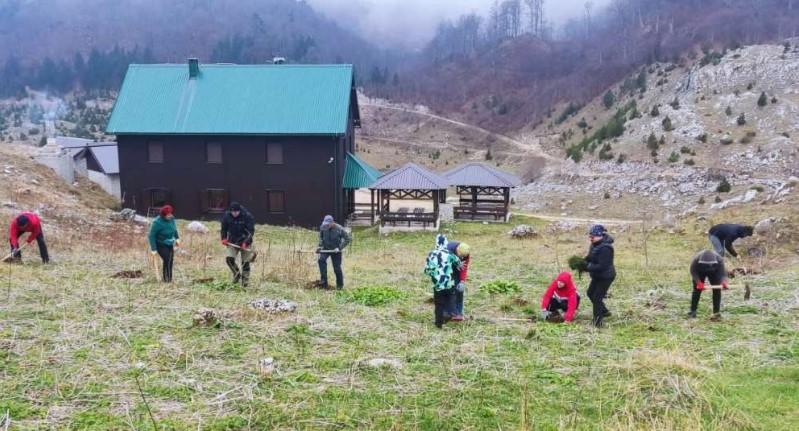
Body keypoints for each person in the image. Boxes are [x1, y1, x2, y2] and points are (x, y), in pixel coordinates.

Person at [424, 234, 461, 329]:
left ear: (436, 242)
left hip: (438, 284)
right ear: (446, 242)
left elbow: (427, 270)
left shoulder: (431, 254)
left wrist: (434, 275)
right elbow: (458, 262)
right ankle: (451, 313)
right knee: (451, 298)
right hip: (449, 283)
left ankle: (438, 323)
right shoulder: (449, 253)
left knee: (439, 304)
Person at [585, 224, 616, 327]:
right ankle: (604, 311)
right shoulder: (594, 244)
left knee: (597, 297)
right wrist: (582, 262)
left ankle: (598, 322)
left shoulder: (606, 248)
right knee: (590, 293)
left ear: (599, 235)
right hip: (597, 276)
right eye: (590, 236)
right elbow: (590, 257)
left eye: (592, 236)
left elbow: (602, 266)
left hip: (606, 276)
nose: (591, 238)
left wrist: (587, 267)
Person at [221, 202, 256, 287]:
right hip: (233, 241)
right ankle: (236, 274)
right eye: (233, 212)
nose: (235, 214)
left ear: (239, 211)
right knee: (229, 259)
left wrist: (246, 242)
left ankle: (245, 283)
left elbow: (250, 232)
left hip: (245, 240)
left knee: (245, 263)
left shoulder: (247, 216)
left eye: (236, 212)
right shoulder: (226, 216)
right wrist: (224, 238)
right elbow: (224, 229)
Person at [688, 250, 729, 321]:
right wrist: (698, 282)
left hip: (714, 272)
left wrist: (724, 282)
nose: (708, 265)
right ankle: (693, 311)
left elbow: (723, 273)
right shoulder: (696, 260)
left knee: (717, 291)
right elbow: (693, 271)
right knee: (696, 290)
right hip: (700, 272)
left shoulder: (719, 260)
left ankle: (716, 313)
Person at [316, 215, 351, 289]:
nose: (326, 226)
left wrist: (339, 248)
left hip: (336, 251)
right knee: (321, 260)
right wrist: (320, 246)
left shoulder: (339, 229)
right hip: (325, 249)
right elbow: (321, 237)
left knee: (337, 268)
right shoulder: (323, 227)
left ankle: (339, 285)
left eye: (328, 224)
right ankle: (324, 283)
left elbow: (347, 239)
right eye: (325, 224)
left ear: (332, 223)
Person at [148, 205, 179, 283]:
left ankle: (168, 279)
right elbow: (151, 236)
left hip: (170, 243)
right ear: (163, 215)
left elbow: (174, 229)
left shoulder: (172, 219)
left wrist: (177, 238)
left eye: (170, 214)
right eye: (168, 215)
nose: (170, 216)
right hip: (160, 244)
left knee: (170, 260)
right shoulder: (157, 222)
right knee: (167, 259)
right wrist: (154, 249)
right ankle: (167, 280)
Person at [445, 239, 471, 321]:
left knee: (459, 290)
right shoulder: (447, 249)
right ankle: (446, 312)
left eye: (463, 256)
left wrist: (462, 281)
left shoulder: (465, 254)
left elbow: (464, 268)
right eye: (460, 256)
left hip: (457, 269)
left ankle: (458, 313)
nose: (462, 258)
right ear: (457, 250)